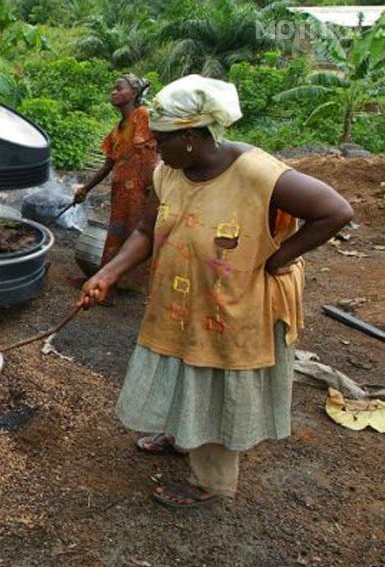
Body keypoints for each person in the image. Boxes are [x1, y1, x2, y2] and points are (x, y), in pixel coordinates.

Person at [79, 75, 354, 508]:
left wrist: (278, 259)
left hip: (231, 305)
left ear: (190, 136)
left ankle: (213, 482)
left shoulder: (255, 172)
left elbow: (336, 211)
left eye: (163, 139)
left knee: (214, 381)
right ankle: (182, 435)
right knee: (179, 365)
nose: (155, 147)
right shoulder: (166, 172)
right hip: (179, 298)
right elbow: (147, 230)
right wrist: (108, 273)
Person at [74, 74, 159, 302]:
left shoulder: (143, 117)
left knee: (140, 236)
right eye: (113, 88)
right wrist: (86, 189)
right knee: (118, 236)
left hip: (143, 190)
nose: (113, 92)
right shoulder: (118, 129)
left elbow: (153, 156)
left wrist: (154, 190)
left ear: (133, 93)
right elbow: (109, 163)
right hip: (122, 193)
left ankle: (134, 288)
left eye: (119, 88)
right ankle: (112, 284)